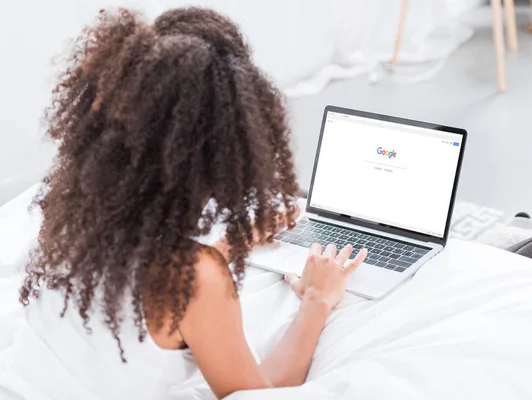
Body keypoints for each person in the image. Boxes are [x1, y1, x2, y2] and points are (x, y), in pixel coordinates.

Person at [0, 7, 367, 400]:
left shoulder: (68, 211)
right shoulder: (194, 281)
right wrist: (317, 299)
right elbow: (259, 393)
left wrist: (233, 244)